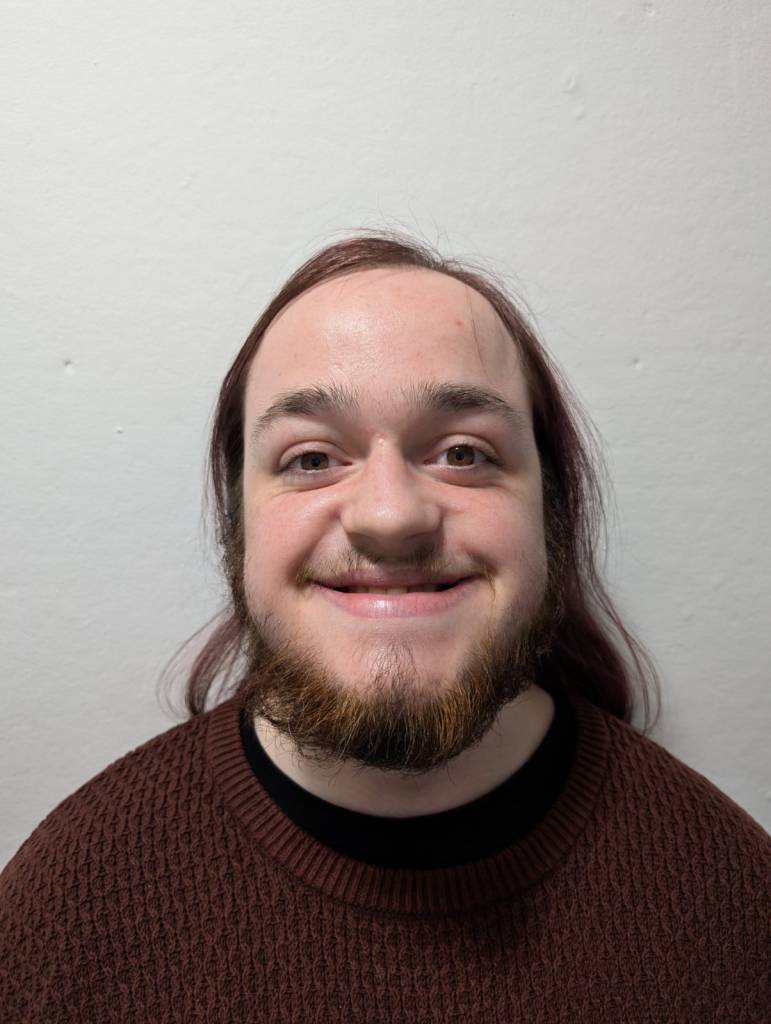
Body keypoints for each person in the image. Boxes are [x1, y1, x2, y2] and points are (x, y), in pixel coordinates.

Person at [1, 234, 768, 1023]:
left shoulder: (734, 907)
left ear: (552, 513)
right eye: (310, 459)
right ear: (238, 523)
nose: (389, 515)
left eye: (463, 452)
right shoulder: (61, 916)